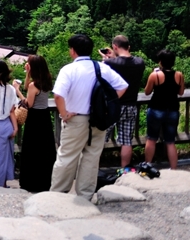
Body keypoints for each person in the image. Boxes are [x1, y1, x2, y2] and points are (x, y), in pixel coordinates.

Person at [50, 34, 128, 199]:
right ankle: (85, 195)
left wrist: (64, 114)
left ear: (73, 51)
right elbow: (122, 86)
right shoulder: (101, 67)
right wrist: (107, 104)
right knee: (91, 157)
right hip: (98, 120)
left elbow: (58, 96)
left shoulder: (69, 70)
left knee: (67, 156)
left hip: (75, 119)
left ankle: (58, 194)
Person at [101, 35, 146, 169]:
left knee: (100, 139)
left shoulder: (110, 63)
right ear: (129, 47)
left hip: (112, 107)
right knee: (126, 141)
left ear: (115, 47)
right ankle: (125, 171)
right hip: (130, 106)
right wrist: (114, 57)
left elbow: (102, 75)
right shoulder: (140, 62)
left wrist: (106, 60)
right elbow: (125, 63)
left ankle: (93, 170)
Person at [14, 55, 56, 192]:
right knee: (44, 150)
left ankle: (31, 182)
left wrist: (17, 91)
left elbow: (29, 103)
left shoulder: (34, 84)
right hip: (44, 116)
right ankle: (45, 181)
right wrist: (28, 74)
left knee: (32, 150)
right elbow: (28, 86)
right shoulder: (46, 79)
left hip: (35, 118)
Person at [143, 49, 185, 171]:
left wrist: (153, 74)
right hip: (172, 110)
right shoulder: (179, 75)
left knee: (151, 139)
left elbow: (147, 92)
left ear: (160, 62)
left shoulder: (155, 75)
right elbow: (181, 92)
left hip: (156, 109)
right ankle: (173, 169)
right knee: (170, 141)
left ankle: (147, 165)